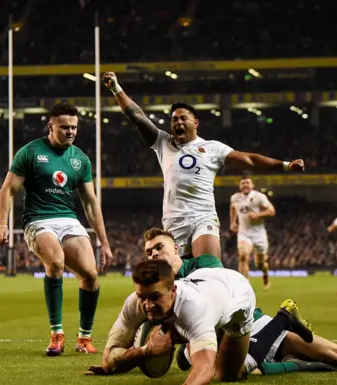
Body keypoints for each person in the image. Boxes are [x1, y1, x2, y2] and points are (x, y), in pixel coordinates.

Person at [141, 228, 337, 375]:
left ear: (176, 248)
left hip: (251, 327)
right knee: (223, 370)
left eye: (159, 248)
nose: (153, 255)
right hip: (218, 342)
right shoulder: (157, 291)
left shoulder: (204, 264)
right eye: (148, 251)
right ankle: (305, 361)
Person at [102, 71, 304, 259]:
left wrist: (286, 165)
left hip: (203, 217)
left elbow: (250, 159)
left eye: (183, 118)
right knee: (181, 280)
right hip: (174, 221)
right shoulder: (163, 143)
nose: (178, 122)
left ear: (195, 123)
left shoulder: (212, 148)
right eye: (174, 120)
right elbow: (137, 116)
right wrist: (116, 88)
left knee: (208, 270)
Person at [0, 102, 113, 356]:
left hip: (68, 220)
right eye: (64, 127)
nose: (70, 132)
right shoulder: (30, 152)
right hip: (38, 220)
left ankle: (84, 338)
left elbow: (91, 203)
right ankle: (57, 334)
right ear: (50, 126)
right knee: (56, 262)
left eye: (74, 127)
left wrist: (104, 242)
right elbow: (8, 189)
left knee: (90, 275)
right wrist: (3, 224)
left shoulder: (80, 159)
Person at [96, 260, 257, 385]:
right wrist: (145, 351)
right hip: (203, 280)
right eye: (142, 297)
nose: (148, 305)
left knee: (227, 376)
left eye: (155, 297)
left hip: (236, 292)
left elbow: (205, 368)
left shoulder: (195, 308)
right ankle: (198, 340)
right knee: (191, 329)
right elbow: (108, 360)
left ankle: (262, 355)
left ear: (172, 291)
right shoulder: (133, 303)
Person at [230, 176, 275, 290]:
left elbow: (271, 211)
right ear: (239, 186)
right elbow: (233, 208)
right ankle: (244, 286)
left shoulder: (259, 197)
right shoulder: (235, 198)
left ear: (252, 185)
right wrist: (233, 222)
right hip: (244, 233)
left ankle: (265, 274)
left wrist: (258, 215)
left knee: (260, 263)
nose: (245, 184)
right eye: (243, 183)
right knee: (243, 255)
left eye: (247, 183)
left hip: (259, 235)